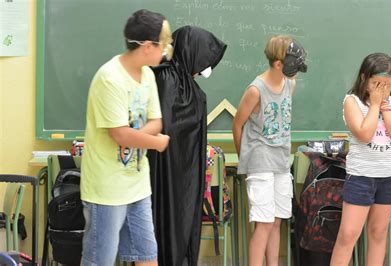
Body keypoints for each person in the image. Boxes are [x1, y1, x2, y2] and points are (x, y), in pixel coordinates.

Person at [80, 9, 172, 266]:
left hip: (138, 186)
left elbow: (156, 121)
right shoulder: (110, 78)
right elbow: (119, 133)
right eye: (161, 45)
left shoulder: (147, 75)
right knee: (100, 260)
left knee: (147, 257)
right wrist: (155, 142)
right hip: (106, 190)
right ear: (146, 46)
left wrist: (133, 140)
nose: (165, 50)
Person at [147, 26, 227, 266]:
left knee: (182, 224)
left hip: (185, 175)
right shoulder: (166, 79)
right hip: (163, 174)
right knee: (163, 226)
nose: (201, 72)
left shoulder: (183, 84)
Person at [233, 35, 307, 266]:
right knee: (264, 223)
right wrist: (246, 158)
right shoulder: (256, 90)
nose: (296, 72)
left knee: (276, 221)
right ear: (278, 63)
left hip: (281, 161)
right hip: (260, 160)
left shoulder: (289, 83)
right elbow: (238, 123)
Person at [331, 53, 391, 265]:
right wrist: (374, 106)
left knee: (378, 232)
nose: (382, 89)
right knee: (348, 234)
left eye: (387, 84)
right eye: (376, 84)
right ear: (364, 78)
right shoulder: (352, 102)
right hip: (362, 176)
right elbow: (364, 134)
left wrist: (384, 106)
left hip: (390, 174)